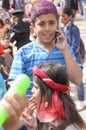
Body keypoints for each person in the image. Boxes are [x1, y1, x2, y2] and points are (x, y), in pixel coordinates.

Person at [8, 0, 82, 96]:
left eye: (51, 23)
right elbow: (15, 90)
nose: (47, 29)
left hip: (62, 110)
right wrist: (25, 110)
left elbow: (77, 80)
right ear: (33, 27)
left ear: (57, 24)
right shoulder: (24, 53)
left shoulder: (65, 50)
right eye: (41, 24)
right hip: (34, 110)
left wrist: (65, 50)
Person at [20, 62, 86, 130]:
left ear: (49, 91)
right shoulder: (36, 112)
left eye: (36, 87)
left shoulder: (67, 126)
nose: (32, 90)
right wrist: (27, 117)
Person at [59, 6, 85, 111]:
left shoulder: (74, 29)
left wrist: (67, 53)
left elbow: (75, 46)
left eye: (64, 16)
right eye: (60, 16)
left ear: (70, 17)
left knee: (78, 80)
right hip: (63, 57)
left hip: (75, 58)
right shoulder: (60, 28)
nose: (61, 18)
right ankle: (67, 102)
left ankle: (81, 101)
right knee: (65, 80)